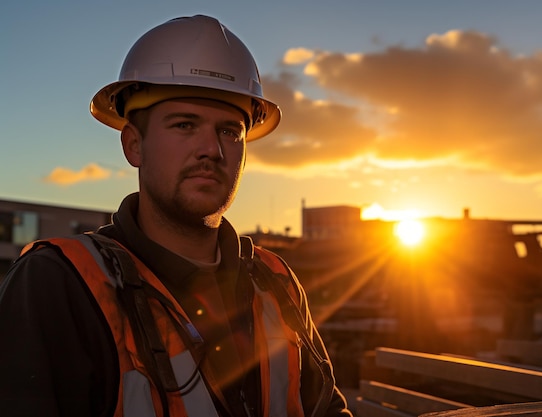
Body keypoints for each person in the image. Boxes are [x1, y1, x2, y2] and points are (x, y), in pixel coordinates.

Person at [0, 15, 353, 417]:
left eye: (228, 132)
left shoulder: (276, 283)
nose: (212, 150)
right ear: (134, 145)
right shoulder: (59, 282)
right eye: (185, 125)